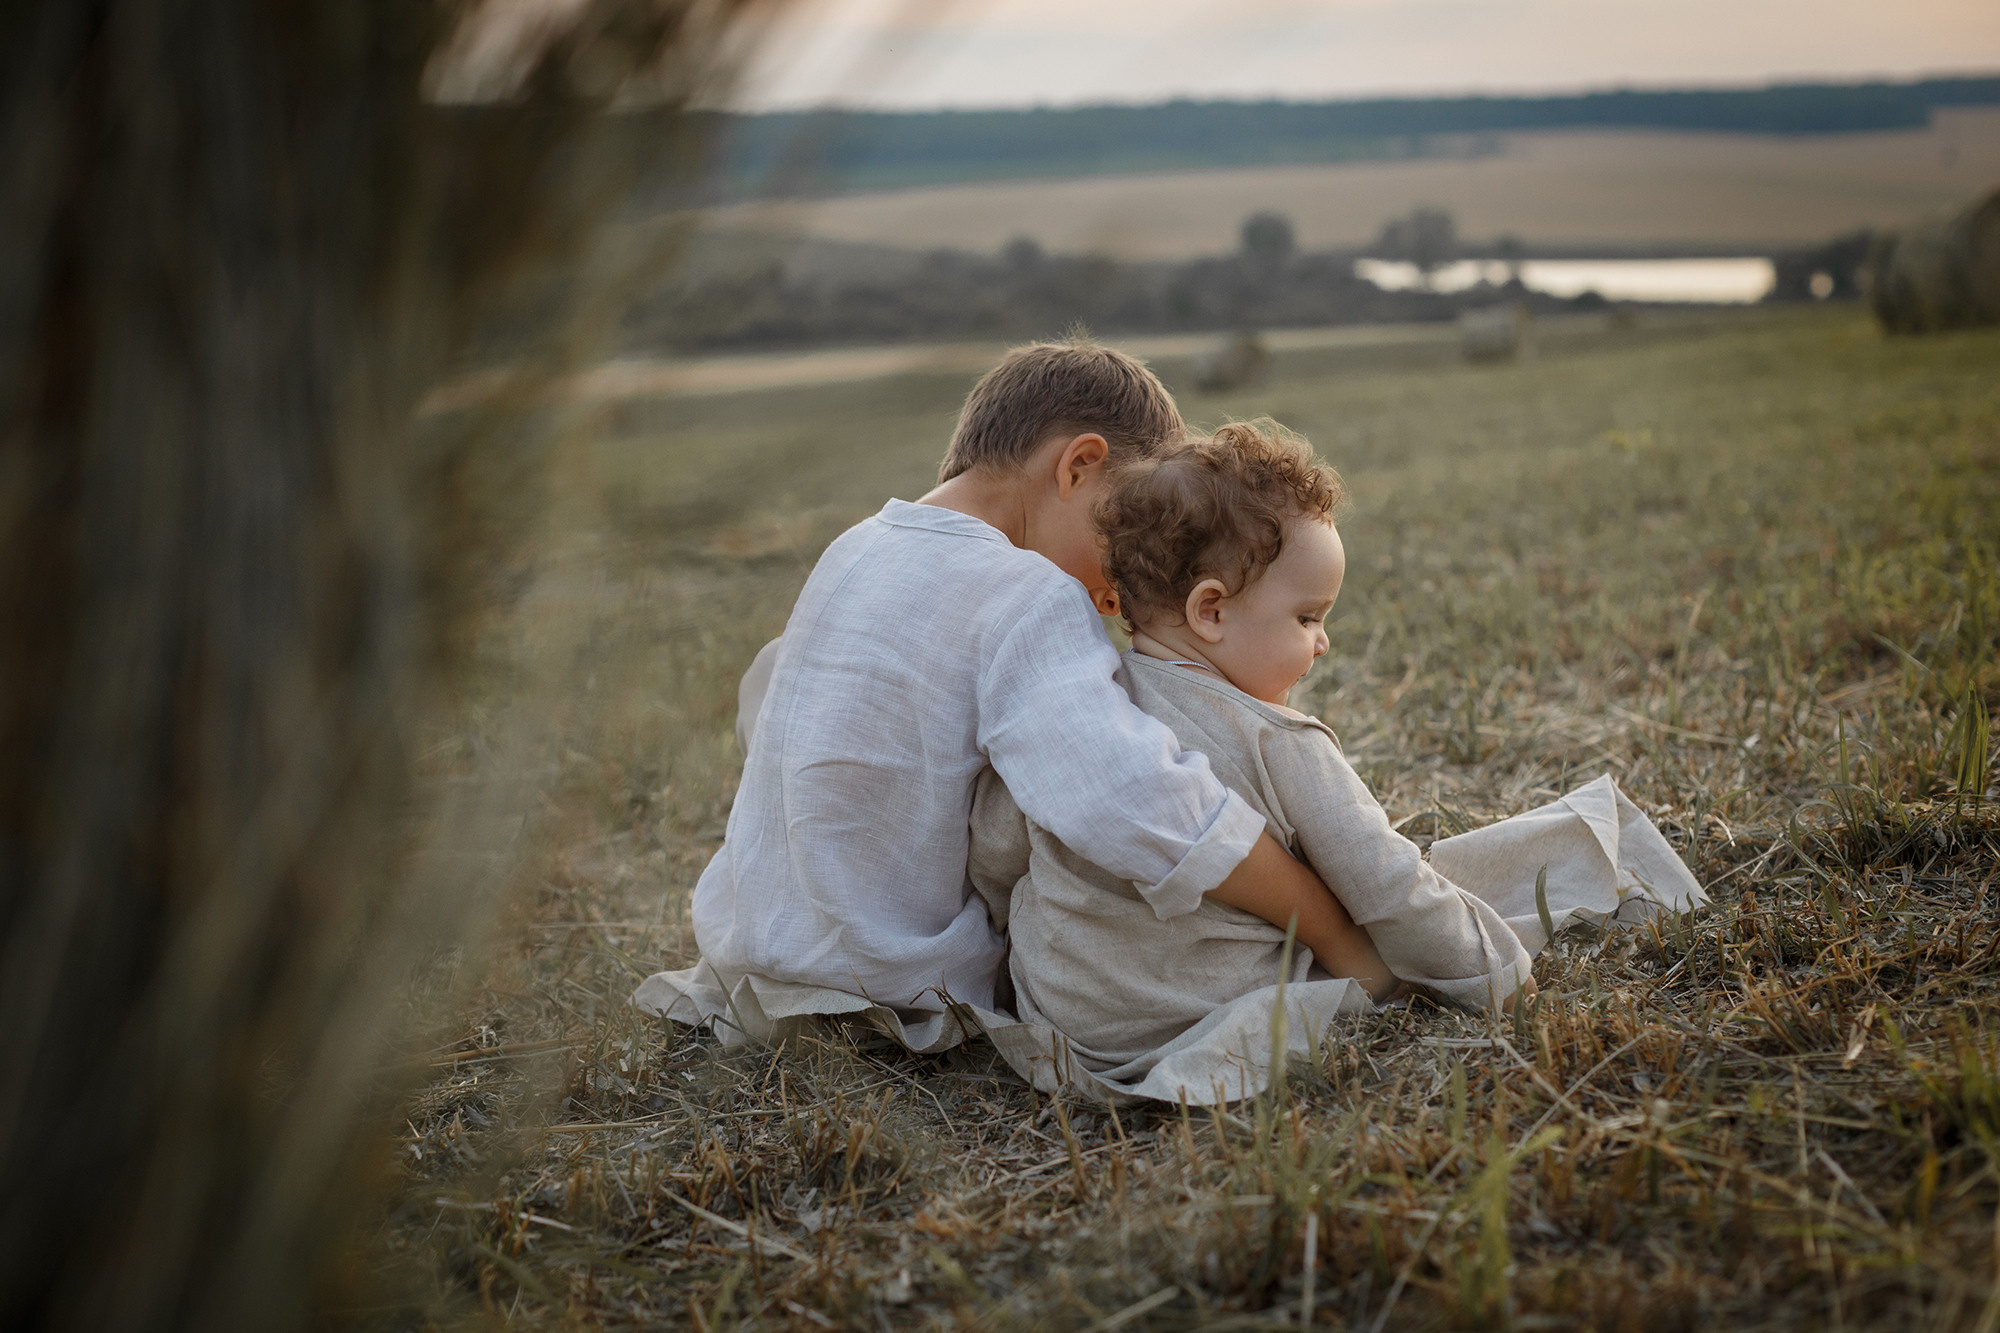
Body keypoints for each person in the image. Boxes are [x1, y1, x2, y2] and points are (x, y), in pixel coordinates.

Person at [664, 340, 1393, 1031]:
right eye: (1126, 536)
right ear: (1078, 466)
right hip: (886, 990)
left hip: (751, 969)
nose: (1124, 586)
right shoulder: (1028, 593)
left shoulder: (853, 549)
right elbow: (1133, 794)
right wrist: (1330, 929)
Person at [973, 420, 1649, 1071]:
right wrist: (1492, 974)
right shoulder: (1280, 739)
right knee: (1465, 889)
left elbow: (997, 845)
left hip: (1067, 1027)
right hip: (1208, 1011)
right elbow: (1387, 882)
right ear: (1210, 611)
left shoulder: (1076, 704)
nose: (1322, 643)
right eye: (1307, 617)